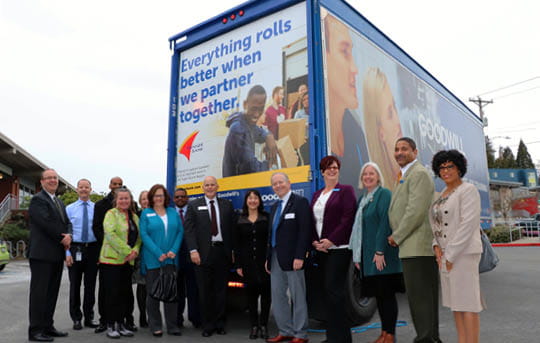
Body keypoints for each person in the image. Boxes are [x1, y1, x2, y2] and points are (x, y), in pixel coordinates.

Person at [387, 137, 440, 343]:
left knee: (421, 299)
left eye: (404, 149)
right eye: (397, 149)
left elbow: (415, 212)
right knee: (421, 299)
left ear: (415, 152)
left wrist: (397, 236)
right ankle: (431, 338)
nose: (399, 152)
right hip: (411, 246)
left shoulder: (418, 174)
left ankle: (426, 339)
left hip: (418, 246)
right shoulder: (405, 175)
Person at [430, 150, 484, 343]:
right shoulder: (441, 194)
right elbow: (435, 225)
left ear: (459, 168)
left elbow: (468, 225)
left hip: (463, 255)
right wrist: (437, 248)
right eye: (442, 167)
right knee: (456, 303)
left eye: (450, 166)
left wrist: (450, 255)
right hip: (444, 256)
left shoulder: (467, 190)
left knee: (468, 303)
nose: (445, 170)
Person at [349, 162, 404, 343]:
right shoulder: (363, 198)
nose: (368, 177)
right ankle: (384, 333)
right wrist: (358, 256)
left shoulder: (384, 195)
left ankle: (390, 335)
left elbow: (384, 224)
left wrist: (380, 251)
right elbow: (359, 230)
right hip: (368, 256)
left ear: (378, 176)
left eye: (372, 173)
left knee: (387, 295)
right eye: (365, 174)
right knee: (379, 296)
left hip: (382, 255)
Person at [310, 156, 356, 343]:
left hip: (339, 248)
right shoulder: (317, 194)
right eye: (328, 168)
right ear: (322, 172)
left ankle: (343, 339)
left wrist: (331, 240)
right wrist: (315, 241)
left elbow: (347, 218)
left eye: (335, 167)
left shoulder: (346, 191)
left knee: (335, 292)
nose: (332, 170)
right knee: (327, 293)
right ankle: (332, 337)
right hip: (321, 250)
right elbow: (312, 220)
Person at [184, 176, 235, 337]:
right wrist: (193, 250)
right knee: (204, 291)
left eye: (213, 184)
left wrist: (233, 251)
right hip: (202, 254)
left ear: (218, 186)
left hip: (222, 253)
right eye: (207, 185)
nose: (210, 187)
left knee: (221, 291)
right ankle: (208, 325)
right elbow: (189, 230)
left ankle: (220, 323)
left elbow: (232, 230)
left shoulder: (227, 205)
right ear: (203, 187)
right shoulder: (193, 205)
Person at [323, 12, 369, 190]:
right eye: (344, 52)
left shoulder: (356, 130)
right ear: (324, 57)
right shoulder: (306, 138)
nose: (355, 69)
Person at [266, 172, 311, 343]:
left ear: (289, 183)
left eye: (280, 182)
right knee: (278, 295)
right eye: (274, 184)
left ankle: (300, 334)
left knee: (298, 296)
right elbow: (271, 235)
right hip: (276, 257)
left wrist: (300, 256)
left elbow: (304, 231)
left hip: (294, 258)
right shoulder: (275, 206)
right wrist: (268, 258)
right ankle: (285, 330)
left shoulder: (300, 203)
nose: (278, 186)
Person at [28, 169, 72, 342]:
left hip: (55, 255)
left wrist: (69, 235)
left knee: (51, 293)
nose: (53, 180)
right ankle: (35, 330)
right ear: (42, 182)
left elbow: (67, 223)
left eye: (55, 178)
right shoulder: (38, 200)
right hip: (41, 255)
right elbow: (46, 223)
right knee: (39, 294)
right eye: (49, 178)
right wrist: (64, 238)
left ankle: (47, 326)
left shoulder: (59, 202)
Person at [139, 184, 184, 337]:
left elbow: (179, 232)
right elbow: (144, 235)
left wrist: (173, 250)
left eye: (161, 195)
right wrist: (158, 253)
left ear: (165, 197)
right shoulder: (146, 213)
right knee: (153, 294)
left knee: (171, 293)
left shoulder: (172, 212)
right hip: (153, 260)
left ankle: (172, 325)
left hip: (170, 260)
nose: (159, 198)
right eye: (156, 195)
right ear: (151, 198)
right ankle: (155, 325)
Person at [99, 187, 141, 339]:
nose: (124, 201)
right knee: (112, 294)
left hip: (127, 263)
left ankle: (121, 324)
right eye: (121, 198)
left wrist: (135, 251)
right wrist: (127, 251)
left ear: (130, 200)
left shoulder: (135, 217)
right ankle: (111, 324)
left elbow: (139, 238)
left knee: (124, 294)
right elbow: (110, 235)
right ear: (116, 200)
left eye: (126, 198)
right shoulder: (111, 214)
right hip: (111, 261)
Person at [93, 177, 131, 333]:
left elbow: (135, 233)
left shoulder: (130, 212)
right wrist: (111, 245)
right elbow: (100, 230)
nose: (117, 186)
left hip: (125, 260)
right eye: (114, 184)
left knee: (123, 292)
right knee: (107, 291)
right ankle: (106, 322)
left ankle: (121, 322)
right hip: (109, 256)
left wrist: (132, 250)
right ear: (110, 186)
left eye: (120, 185)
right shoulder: (103, 207)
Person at [234, 190, 271, 340]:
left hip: (265, 263)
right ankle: (254, 326)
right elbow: (236, 244)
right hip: (247, 263)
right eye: (250, 198)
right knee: (251, 296)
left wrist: (271, 259)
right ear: (246, 201)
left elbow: (271, 239)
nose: (253, 200)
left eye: (256, 198)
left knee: (266, 296)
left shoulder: (266, 218)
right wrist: (238, 265)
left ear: (259, 201)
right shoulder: (239, 220)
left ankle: (264, 325)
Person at [65, 179, 99, 330]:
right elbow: (65, 232)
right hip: (75, 248)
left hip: (92, 249)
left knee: (90, 286)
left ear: (91, 189)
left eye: (87, 187)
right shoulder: (70, 209)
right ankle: (76, 318)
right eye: (81, 187)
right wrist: (67, 252)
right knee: (75, 285)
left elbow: (100, 230)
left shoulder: (96, 208)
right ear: (77, 190)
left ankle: (89, 317)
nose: (84, 189)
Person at [222, 85, 278, 177]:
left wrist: (269, 136)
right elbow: (250, 167)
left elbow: (260, 133)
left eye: (261, 109)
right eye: (254, 109)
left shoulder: (248, 123)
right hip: (236, 188)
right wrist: (272, 164)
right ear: (245, 104)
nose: (256, 114)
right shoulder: (238, 129)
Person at [363, 67, 403, 192]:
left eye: (395, 108)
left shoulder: (410, 175)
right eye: (390, 114)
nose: (398, 121)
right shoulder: (381, 192)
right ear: (380, 133)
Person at [173, 188, 201, 329]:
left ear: (187, 198)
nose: (180, 199)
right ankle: (177, 320)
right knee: (178, 291)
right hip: (175, 257)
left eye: (183, 197)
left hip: (192, 256)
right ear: (173, 199)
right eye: (177, 197)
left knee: (193, 289)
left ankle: (195, 318)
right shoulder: (170, 213)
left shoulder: (194, 210)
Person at [134, 191, 149, 328]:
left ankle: (152, 315)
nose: (145, 201)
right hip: (140, 255)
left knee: (152, 287)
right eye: (143, 199)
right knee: (142, 286)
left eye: (147, 198)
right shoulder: (136, 216)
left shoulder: (157, 214)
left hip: (154, 254)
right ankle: (142, 315)